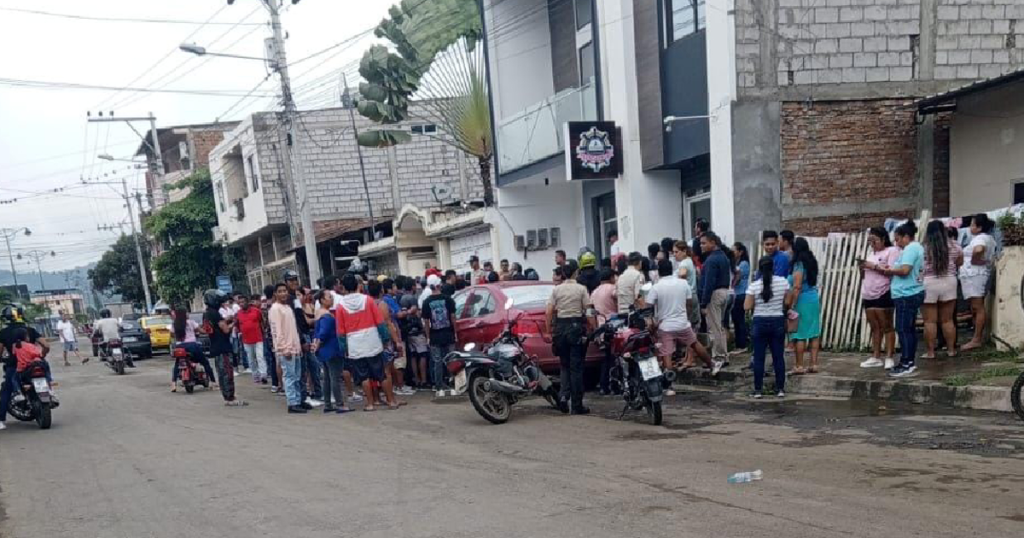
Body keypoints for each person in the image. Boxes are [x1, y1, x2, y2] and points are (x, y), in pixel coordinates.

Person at [647, 259, 720, 396]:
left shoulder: (656, 287)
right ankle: (712, 364)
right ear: (671, 269)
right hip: (682, 322)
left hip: (665, 325)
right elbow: (689, 303)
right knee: (694, 344)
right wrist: (685, 316)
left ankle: (669, 386)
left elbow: (648, 306)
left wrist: (653, 323)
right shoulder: (683, 283)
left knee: (667, 354)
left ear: (658, 272)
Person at [338, 274, 398, 410]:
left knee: (363, 375)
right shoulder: (368, 300)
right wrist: (385, 338)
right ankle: (391, 401)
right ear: (358, 285)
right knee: (381, 373)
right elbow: (380, 322)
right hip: (372, 340)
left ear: (343, 288)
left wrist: (344, 348)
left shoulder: (341, 306)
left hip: (354, 343)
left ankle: (370, 404)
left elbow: (341, 331)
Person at [545, 264, 594, 415]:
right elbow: (589, 310)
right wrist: (593, 327)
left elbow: (549, 311)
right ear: (576, 273)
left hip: (560, 329)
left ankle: (563, 397)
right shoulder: (581, 289)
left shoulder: (556, 290)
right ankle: (577, 404)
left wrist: (548, 331)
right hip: (576, 328)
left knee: (564, 365)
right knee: (576, 367)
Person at [745, 256, 792, 398]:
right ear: (773, 267)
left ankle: (758, 390)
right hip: (777, 320)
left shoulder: (754, 286)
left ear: (759, 269)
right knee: (778, 357)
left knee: (759, 358)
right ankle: (780, 389)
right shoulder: (783, 282)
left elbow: (747, 306)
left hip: (759, 321)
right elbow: (788, 302)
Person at [883, 221, 925, 378]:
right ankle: (909, 361)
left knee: (903, 329)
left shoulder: (911, 249)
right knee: (909, 329)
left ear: (906, 236)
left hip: (906, 294)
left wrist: (890, 271)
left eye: (898, 239)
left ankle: (906, 362)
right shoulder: (917, 248)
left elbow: (905, 270)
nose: (897, 243)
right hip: (910, 292)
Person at [0, 305, 50, 431]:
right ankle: (51, 392)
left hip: (15, 365)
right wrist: (41, 356)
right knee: (46, 375)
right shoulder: (30, 330)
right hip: (35, 364)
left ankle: (1, 420)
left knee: (6, 390)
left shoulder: (4, 333)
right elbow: (46, 345)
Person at [920, 220, 963, 359]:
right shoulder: (954, 245)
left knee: (929, 321)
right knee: (948, 320)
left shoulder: (923, 247)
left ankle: (930, 352)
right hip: (949, 281)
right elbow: (960, 262)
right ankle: (951, 350)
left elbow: (919, 266)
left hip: (929, 283)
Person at [859, 227, 900, 369]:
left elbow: (891, 271)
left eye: (875, 240)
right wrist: (862, 268)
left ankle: (889, 356)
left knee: (887, 325)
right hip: (868, 292)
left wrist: (874, 266)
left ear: (883, 239)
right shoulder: (871, 254)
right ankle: (876, 356)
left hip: (883, 291)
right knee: (874, 326)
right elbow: (864, 275)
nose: (872, 244)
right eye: (870, 241)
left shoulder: (891, 251)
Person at [269, 283, 307, 413]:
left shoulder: (288, 307)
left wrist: (298, 346)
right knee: (290, 376)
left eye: (284, 291)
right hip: (286, 349)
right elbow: (277, 332)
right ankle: (292, 403)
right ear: (275, 294)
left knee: (297, 376)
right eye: (280, 291)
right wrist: (283, 348)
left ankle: (299, 400)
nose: (283, 293)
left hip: (295, 348)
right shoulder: (275, 309)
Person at [368, 280, 411, 398]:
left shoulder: (367, 303)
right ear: (381, 290)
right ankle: (390, 396)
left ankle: (377, 396)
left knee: (374, 369)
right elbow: (388, 323)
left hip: (371, 338)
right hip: (384, 339)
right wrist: (396, 340)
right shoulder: (382, 304)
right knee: (387, 368)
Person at [961, 213, 997, 351]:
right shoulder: (988, 238)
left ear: (979, 227)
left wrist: (975, 260)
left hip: (975, 276)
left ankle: (977, 339)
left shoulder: (980, 238)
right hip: (976, 275)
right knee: (976, 307)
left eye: (972, 224)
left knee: (978, 307)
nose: (970, 227)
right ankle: (977, 336)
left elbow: (979, 249)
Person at [203, 290, 246, 406]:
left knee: (222, 373)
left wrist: (227, 320)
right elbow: (225, 329)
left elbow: (214, 326)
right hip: (223, 347)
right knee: (227, 373)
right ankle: (230, 398)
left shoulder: (207, 313)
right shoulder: (215, 314)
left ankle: (227, 396)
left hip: (215, 347)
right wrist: (234, 323)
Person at [311, 291, 351, 414]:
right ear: (322, 300)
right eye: (329, 297)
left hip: (324, 351)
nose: (332, 299)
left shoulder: (319, 314)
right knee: (335, 378)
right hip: (332, 349)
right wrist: (318, 344)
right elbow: (323, 333)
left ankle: (328, 404)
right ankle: (339, 404)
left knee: (328, 378)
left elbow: (318, 333)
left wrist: (316, 345)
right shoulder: (327, 316)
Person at [787, 237, 822, 374]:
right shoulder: (812, 262)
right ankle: (814, 364)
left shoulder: (799, 264)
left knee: (800, 334)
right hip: (813, 298)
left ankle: (799, 365)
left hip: (802, 300)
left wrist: (792, 304)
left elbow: (797, 286)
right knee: (814, 332)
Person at [699, 232, 732, 362]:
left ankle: (719, 356)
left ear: (713, 243)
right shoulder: (723, 256)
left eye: (704, 243)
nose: (701, 246)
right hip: (724, 292)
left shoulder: (711, 260)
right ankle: (723, 354)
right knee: (719, 325)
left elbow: (709, 283)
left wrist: (703, 303)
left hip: (715, 294)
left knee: (715, 327)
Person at [170, 307, 217, 393]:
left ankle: (173, 384)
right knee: (205, 362)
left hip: (179, 347)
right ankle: (213, 383)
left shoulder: (175, 324)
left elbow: (172, 335)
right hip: (192, 346)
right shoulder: (191, 322)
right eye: (187, 313)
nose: (188, 314)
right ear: (184, 314)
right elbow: (202, 331)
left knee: (178, 363)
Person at [422, 282, 458, 391]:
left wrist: (428, 337)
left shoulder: (426, 302)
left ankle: (439, 385)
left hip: (434, 336)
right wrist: (455, 333)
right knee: (451, 359)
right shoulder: (448, 300)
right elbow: (453, 317)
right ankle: (453, 382)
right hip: (448, 334)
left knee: (437, 361)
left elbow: (426, 322)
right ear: (439, 286)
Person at [399, 277, 429, 390]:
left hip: (408, 331)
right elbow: (416, 313)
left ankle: (416, 379)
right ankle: (423, 380)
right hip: (416, 330)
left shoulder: (402, 298)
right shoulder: (412, 298)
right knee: (422, 354)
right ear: (412, 287)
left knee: (413, 356)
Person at [591, 268, 617, 395]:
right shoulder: (613, 289)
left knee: (606, 357)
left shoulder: (594, 292)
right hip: (614, 326)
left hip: (601, 328)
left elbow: (591, 311)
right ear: (611, 277)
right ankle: (614, 385)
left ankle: (604, 385)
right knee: (614, 357)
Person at [235, 295, 268, 384]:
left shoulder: (256, 311)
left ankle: (263, 374)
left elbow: (262, 322)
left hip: (258, 338)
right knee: (251, 359)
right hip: (246, 340)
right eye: (239, 303)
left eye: (243, 302)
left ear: (247, 302)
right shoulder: (238, 314)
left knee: (260, 357)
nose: (241, 304)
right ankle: (255, 375)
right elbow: (237, 325)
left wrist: (263, 332)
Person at [261, 285, 282, 394]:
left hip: (268, 334)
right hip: (275, 334)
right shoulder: (274, 306)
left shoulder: (263, 306)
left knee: (273, 360)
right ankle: (280, 384)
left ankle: (275, 384)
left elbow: (263, 322)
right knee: (277, 360)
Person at [730, 242, 751, 352]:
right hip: (736, 294)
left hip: (741, 294)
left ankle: (742, 344)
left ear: (740, 252)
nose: (732, 252)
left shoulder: (743, 264)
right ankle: (739, 342)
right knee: (736, 319)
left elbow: (737, 278)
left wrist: (732, 283)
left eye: (734, 250)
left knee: (739, 319)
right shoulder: (737, 263)